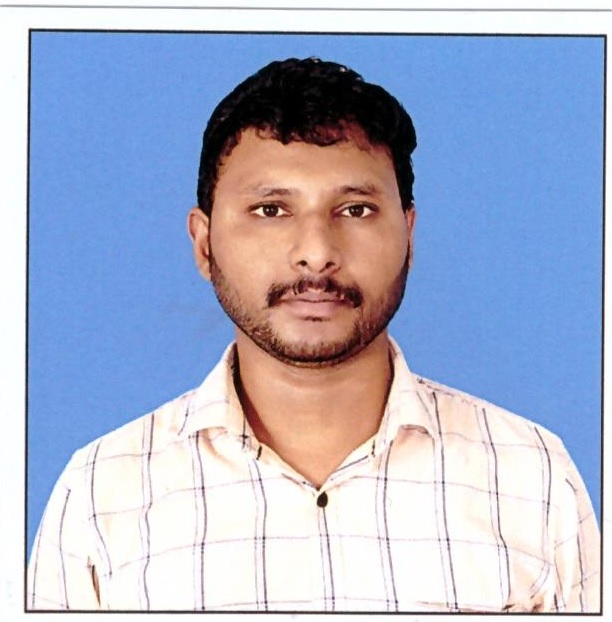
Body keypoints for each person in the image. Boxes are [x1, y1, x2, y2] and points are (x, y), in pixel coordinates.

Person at [27, 57, 600, 613]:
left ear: (409, 234)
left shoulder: (533, 478)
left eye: (355, 210)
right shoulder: (102, 494)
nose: (317, 253)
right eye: (270, 210)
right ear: (204, 244)